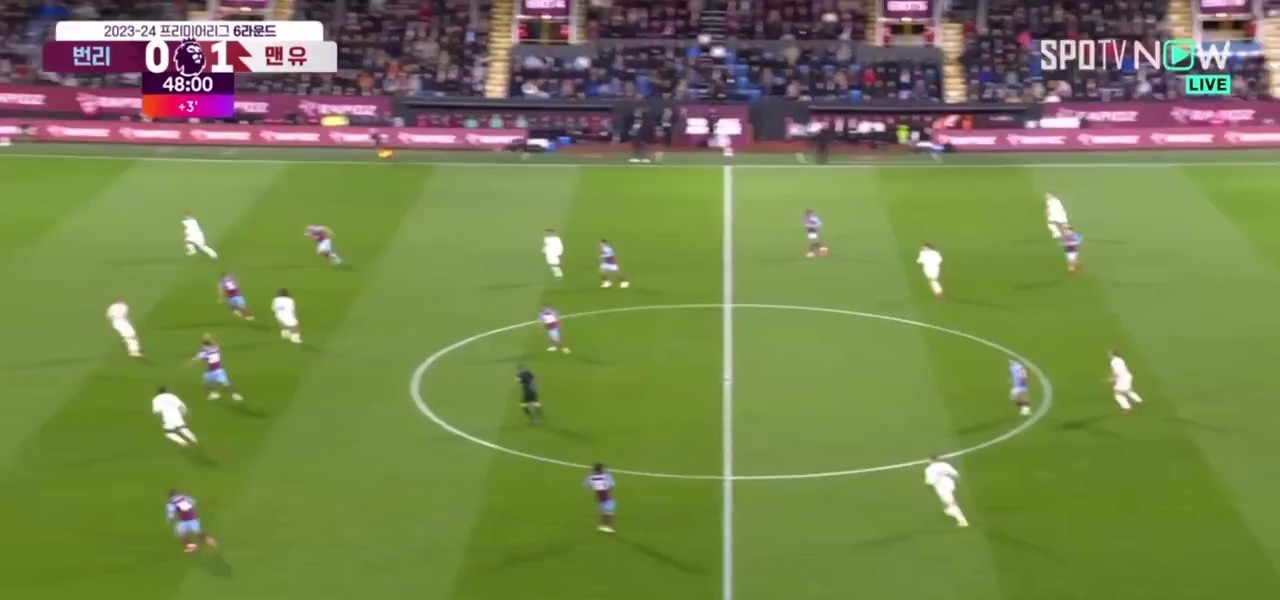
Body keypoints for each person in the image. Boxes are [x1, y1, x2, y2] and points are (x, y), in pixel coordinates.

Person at [924, 456, 969, 527]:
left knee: (951, 503)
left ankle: (962, 521)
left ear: (930, 461)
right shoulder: (945, 464)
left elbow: (930, 482)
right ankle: (949, 510)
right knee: (949, 500)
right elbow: (956, 474)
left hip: (941, 488)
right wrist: (957, 483)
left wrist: (932, 489)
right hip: (950, 484)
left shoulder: (929, 469)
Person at [585, 463, 616, 533]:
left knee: (604, 511)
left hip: (599, 497)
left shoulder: (592, 477)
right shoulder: (606, 476)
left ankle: (602, 525)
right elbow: (611, 485)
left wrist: (590, 474)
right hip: (606, 496)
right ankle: (606, 526)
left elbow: (587, 484)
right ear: (601, 470)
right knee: (609, 513)